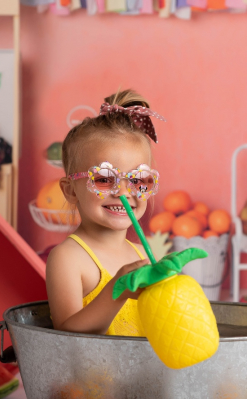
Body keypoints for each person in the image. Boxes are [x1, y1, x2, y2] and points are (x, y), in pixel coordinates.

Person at [46, 89, 165, 336]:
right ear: (71, 191)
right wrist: (118, 290)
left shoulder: (143, 253)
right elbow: (66, 336)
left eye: (138, 179)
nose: (123, 192)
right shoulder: (67, 258)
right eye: (103, 179)